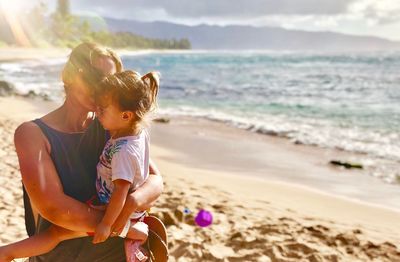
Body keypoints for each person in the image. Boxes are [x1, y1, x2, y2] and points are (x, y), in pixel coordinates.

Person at [0, 43, 163, 261]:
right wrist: (124, 226)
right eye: (92, 75)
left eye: (108, 82)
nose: (99, 87)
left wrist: (132, 203)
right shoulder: (33, 134)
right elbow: (55, 209)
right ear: (68, 75)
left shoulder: (112, 128)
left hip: (116, 254)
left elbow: (154, 179)